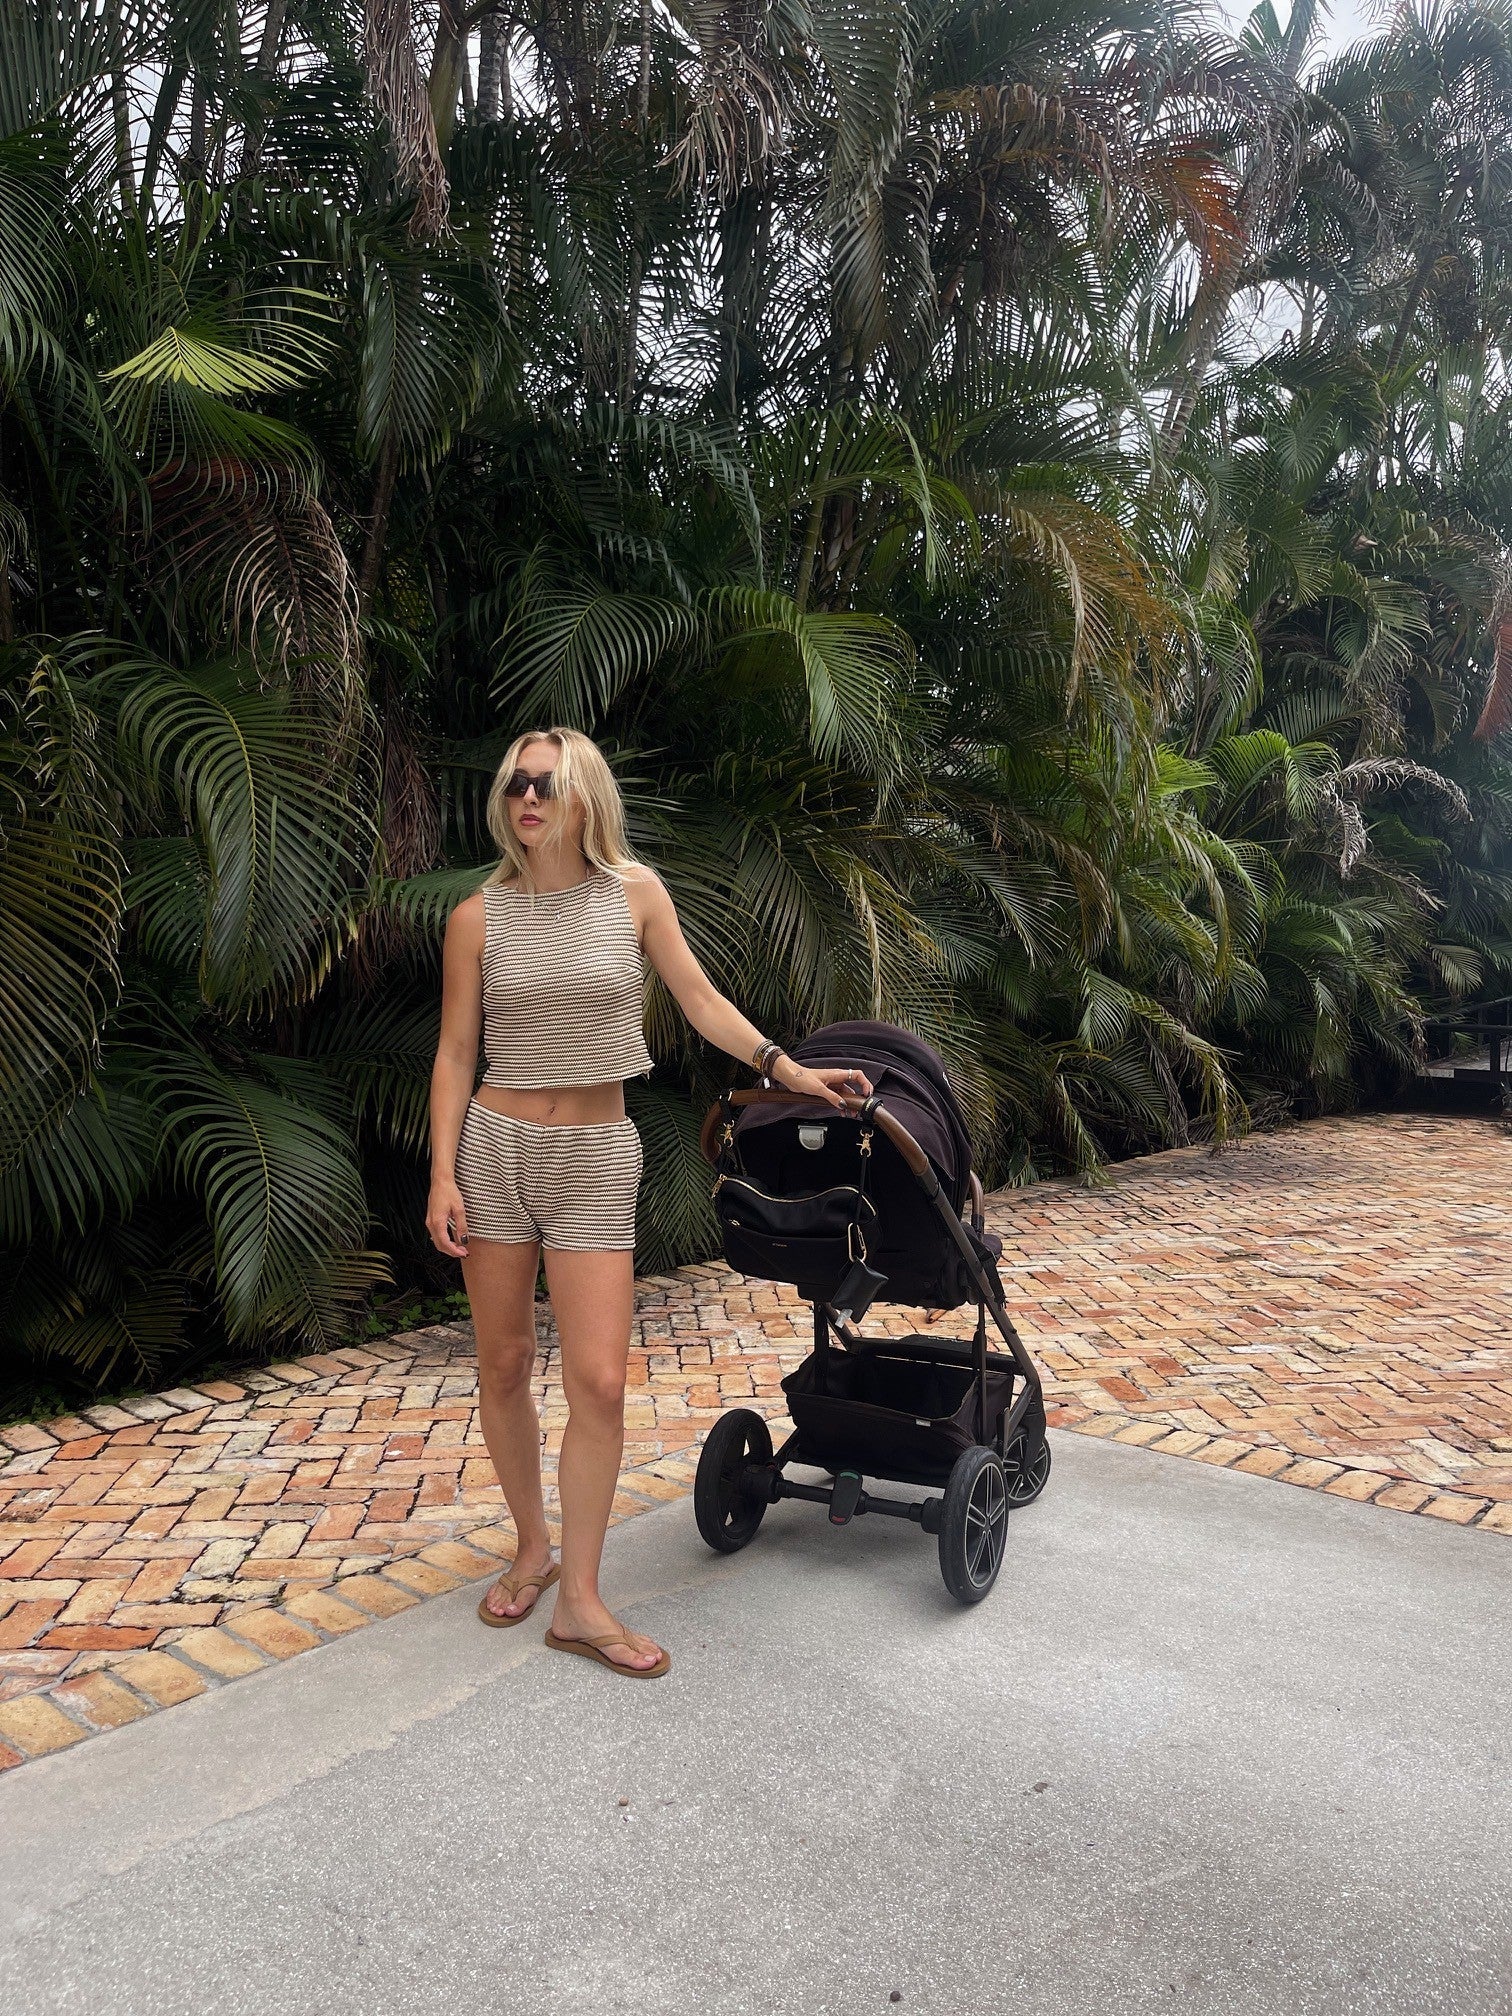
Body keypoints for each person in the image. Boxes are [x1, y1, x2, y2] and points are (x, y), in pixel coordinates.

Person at [426, 728, 872, 1679]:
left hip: (594, 1156)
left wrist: (786, 1069)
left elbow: (701, 999)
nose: (527, 798)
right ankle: (533, 1549)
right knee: (504, 1362)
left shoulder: (635, 894)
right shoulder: (475, 917)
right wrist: (440, 1174)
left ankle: (581, 1601)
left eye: (545, 783)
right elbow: (456, 1052)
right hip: (494, 1149)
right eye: (514, 784)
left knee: (597, 1382)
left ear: (584, 796)